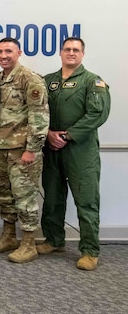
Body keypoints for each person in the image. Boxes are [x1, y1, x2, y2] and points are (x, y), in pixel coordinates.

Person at [39, 37, 110, 271]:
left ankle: (89, 250)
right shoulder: (48, 82)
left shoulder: (93, 82)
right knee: (52, 198)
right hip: (51, 149)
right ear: (60, 53)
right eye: (67, 49)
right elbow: (37, 111)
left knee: (86, 200)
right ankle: (54, 240)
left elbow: (97, 115)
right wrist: (49, 133)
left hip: (80, 151)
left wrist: (66, 136)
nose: (71, 53)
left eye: (75, 50)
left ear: (82, 54)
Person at [0, 38, 49, 263]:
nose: (3, 55)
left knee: (25, 197)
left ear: (19, 52)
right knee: (4, 195)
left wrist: (32, 150)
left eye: (8, 51)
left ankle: (29, 243)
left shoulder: (30, 79)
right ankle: (9, 235)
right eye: (0, 51)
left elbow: (39, 116)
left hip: (22, 151)